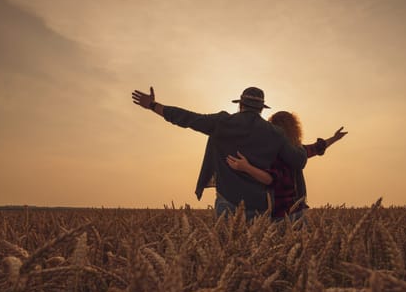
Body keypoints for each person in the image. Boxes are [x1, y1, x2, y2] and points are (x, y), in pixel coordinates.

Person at [132, 87, 308, 220]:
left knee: (227, 252)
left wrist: (153, 106)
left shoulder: (222, 122)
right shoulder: (275, 133)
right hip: (261, 204)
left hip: (228, 201)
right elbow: (298, 161)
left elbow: (188, 118)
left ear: (240, 105)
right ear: (262, 109)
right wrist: (297, 140)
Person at [226, 111, 347, 221]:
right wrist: (335, 138)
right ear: (294, 129)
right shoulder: (298, 152)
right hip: (298, 212)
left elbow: (270, 179)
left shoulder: (275, 153)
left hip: (279, 214)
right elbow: (316, 148)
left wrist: (246, 167)